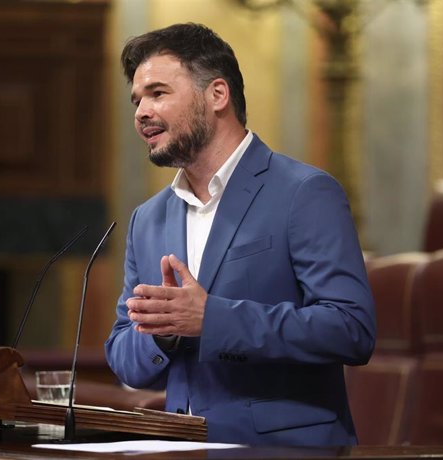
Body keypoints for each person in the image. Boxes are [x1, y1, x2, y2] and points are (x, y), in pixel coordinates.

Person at [105, 22, 376, 447]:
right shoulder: (148, 219)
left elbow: (350, 329)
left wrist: (212, 319)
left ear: (217, 95)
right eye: (137, 100)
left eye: (158, 93)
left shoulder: (304, 192)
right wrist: (164, 331)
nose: (140, 112)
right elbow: (125, 356)